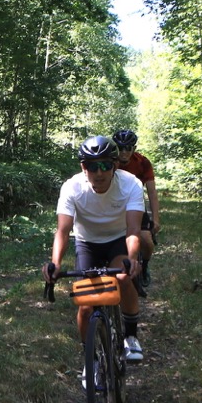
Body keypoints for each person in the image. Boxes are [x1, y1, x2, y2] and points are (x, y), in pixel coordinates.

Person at [43, 135, 145, 368]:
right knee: (86, 305)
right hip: (87, 242)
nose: (99, 173)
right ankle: (92, 360)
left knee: (122, 278)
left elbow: (133, 229)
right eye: (92, 166)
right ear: (83, 167)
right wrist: (55, 263)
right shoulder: (72, 188)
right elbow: (63, 230)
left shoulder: (131, 184)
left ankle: (130, 336)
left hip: (119, 239)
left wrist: (131, 259)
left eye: (105, 165)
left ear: (115, 166)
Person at [112, 128, 160, 293]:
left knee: (146, 240)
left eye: (128, 148)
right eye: (120, 148)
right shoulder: (109, 160)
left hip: (135, 205)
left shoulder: (142, 162)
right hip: (113, 206)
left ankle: (144, 266)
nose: (124, 152)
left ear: (134, 148)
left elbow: (152, 192)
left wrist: (156, 218)